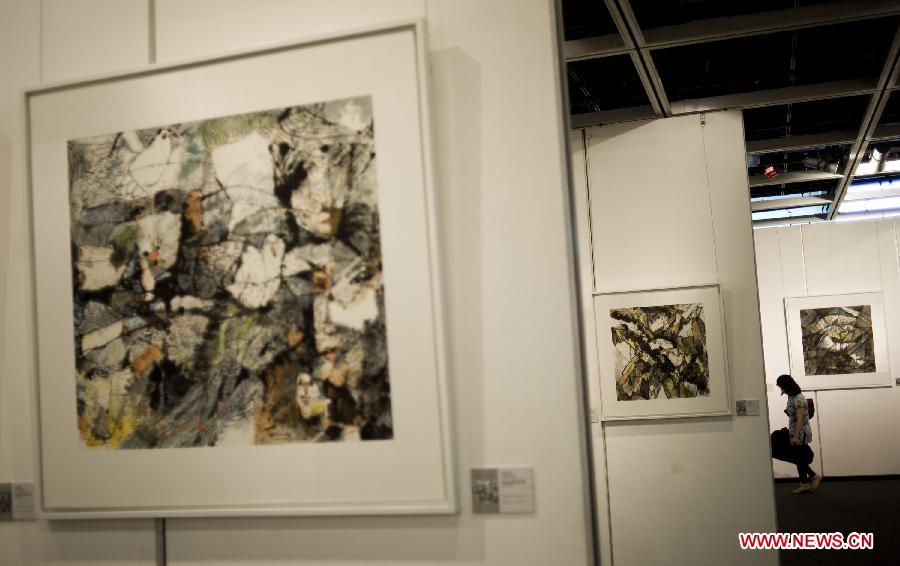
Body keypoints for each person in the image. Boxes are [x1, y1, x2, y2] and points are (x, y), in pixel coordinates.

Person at [775, 374, 821, 494]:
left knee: (800, 457)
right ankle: (809, 479)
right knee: (799, 457)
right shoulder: (791, 396)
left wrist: (796, 436)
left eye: (781, 387)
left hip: (800, 432)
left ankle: (807, 482)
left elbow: (800, 418)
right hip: (795, 430)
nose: (781, 389)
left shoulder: (798, 398)